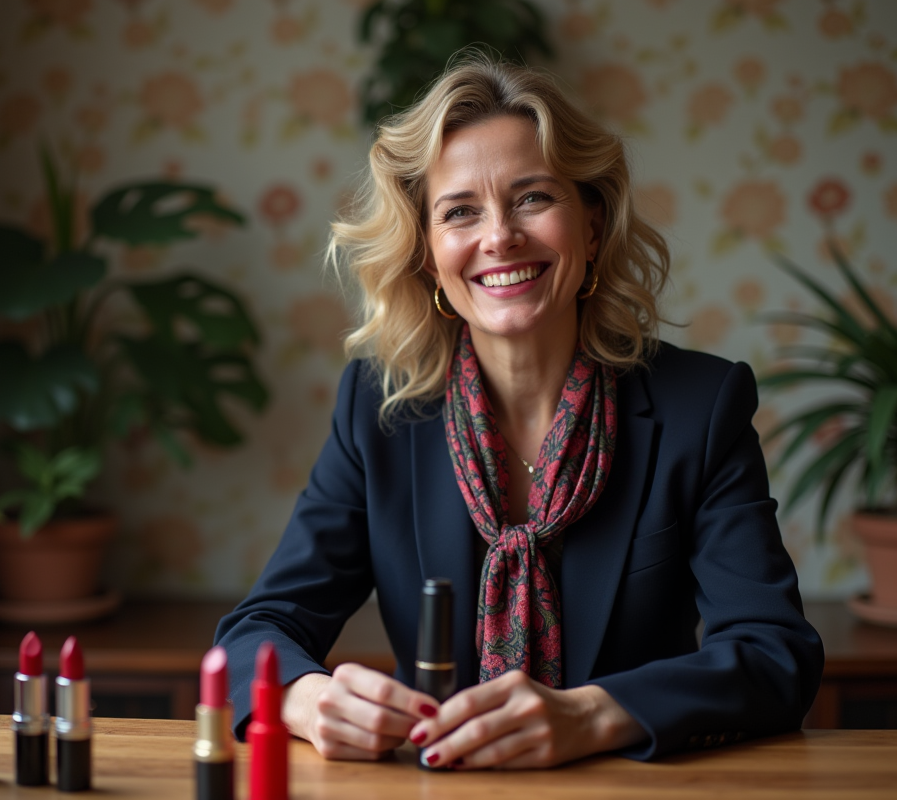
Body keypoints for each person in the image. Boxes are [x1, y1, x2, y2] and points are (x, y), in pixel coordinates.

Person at [215, 55, 824, 770]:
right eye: (460, 211)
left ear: (592, 228)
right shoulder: (379, 411)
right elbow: (254, 633)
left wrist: (592, 716)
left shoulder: (702, 407)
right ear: (426, 255)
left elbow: (774, 654)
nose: (499, 236)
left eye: (533, 198)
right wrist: (308, 701)